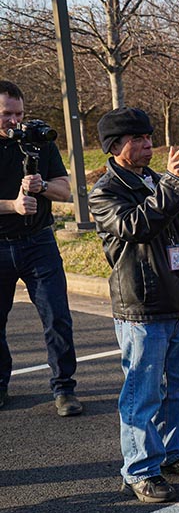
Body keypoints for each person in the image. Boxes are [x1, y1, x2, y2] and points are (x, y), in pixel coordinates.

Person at [89, 107, 179, 503]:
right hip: (142, 303)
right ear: (115, 146)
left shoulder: (154, 179)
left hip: (176, 297)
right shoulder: (105, 191)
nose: (148, 144)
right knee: (143, 392)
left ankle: (172, 452)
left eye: (149, 137)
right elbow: (136, 226)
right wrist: (171, 181)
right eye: (138, 139)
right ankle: (139, 470)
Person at [0, 80, 80, 416]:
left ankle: (64, 389)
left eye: (19, 113)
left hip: (39, 243)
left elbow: (65, 190)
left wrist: (42, 185)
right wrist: (13, 206)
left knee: (57, 316)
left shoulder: (38, 140)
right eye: (7, 114)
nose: (14, 121)